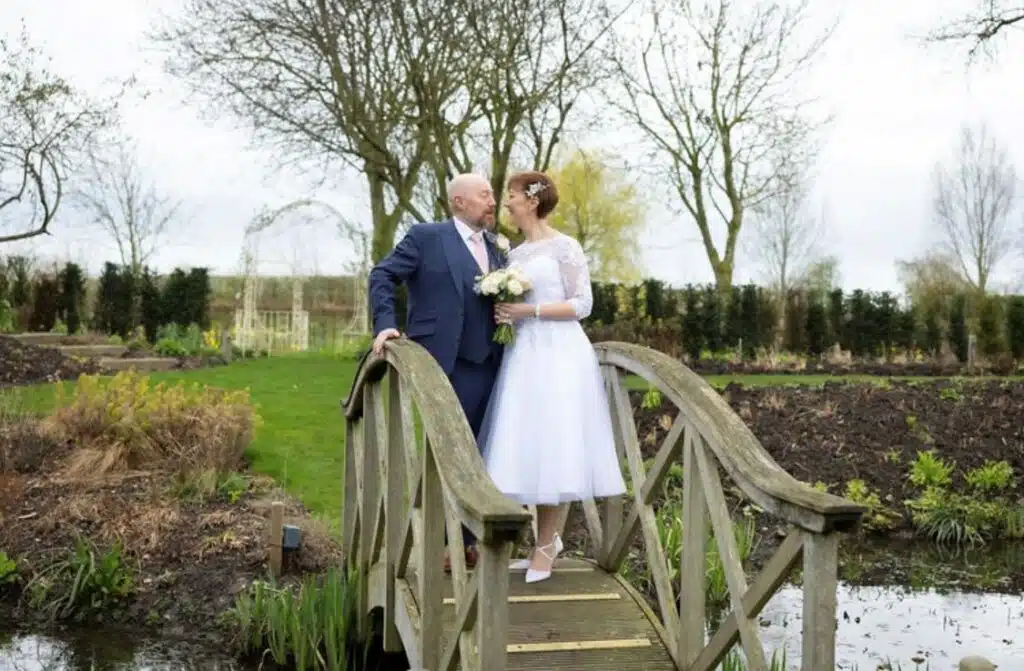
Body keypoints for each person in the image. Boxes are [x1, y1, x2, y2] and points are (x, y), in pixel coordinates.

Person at [479, 170, 627, 584]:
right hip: (523, 355)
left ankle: (547, 544)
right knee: (526, 443)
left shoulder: (565, 246)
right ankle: (537, 543)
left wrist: (528, 311)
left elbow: (582, 303)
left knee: (556, 445)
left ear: (532, 200)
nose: (506, 202)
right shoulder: (514, 254)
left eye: (511, 195)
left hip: (559, 353)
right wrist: (503, 308)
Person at [368, 173, 506, 571]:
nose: (492, 201)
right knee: (447, 451)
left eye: (493, 195)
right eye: (484, 195)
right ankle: (440, 543)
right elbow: (383, 275)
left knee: (479, 453)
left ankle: (464, 541)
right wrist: (385, 324)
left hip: (489, 363)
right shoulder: (427, 237)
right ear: (459, 201)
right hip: (440, 361)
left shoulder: (498, 248)